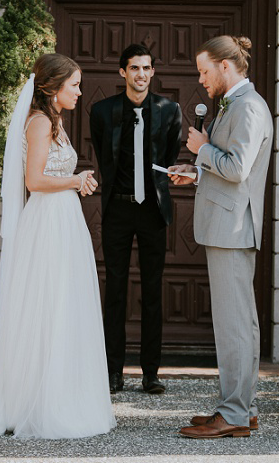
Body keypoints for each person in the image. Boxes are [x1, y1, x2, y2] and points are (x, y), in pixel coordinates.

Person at [0, 53, 115, 439]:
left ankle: (62, 397)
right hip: (47, 223)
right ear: (52, 87)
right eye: (74, 85)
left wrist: (75, 183)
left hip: (63, 219)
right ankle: (39, 403)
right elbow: (34, 181)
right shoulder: (40, 122)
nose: (80, 92)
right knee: (47, 306)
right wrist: (75, 180)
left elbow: (51, 174)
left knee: (63, 305)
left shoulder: (55, 121)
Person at [168, 35, 272, 439]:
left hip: (232, 229)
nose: (201, 78)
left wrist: (202, 148)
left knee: (234, 326)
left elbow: (237, 168)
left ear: (225, 67)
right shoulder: (239, 104)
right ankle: (243, 408)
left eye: (204, 70)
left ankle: (232, 414)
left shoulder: (247, 107)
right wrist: (194, 171)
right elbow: (225, 170)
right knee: (240, 323)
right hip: (227, 224)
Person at [89, 44, 182, 395]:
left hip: (153, 210)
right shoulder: (101, 111)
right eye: (134, 68)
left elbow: (169, 155)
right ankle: (114, 372)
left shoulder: (169, 110)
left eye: (146, 68)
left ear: (153, 72)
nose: (141, 74)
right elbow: (103, 154)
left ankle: (151, 373)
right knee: (115, 291)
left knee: (152, 291)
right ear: (122, 73)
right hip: (118, 208)